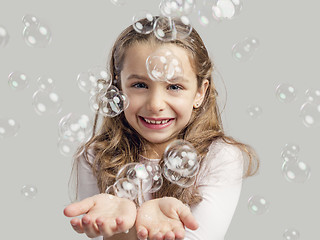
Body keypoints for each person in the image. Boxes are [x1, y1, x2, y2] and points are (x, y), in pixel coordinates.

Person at [63, 16, 259, 240]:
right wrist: (122, 227)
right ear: (118, 88)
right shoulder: (94, 156)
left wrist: (133, 225)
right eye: (139, 85)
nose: (155, 104)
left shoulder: (219, 157)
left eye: (174, 86)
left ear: (199, 92)